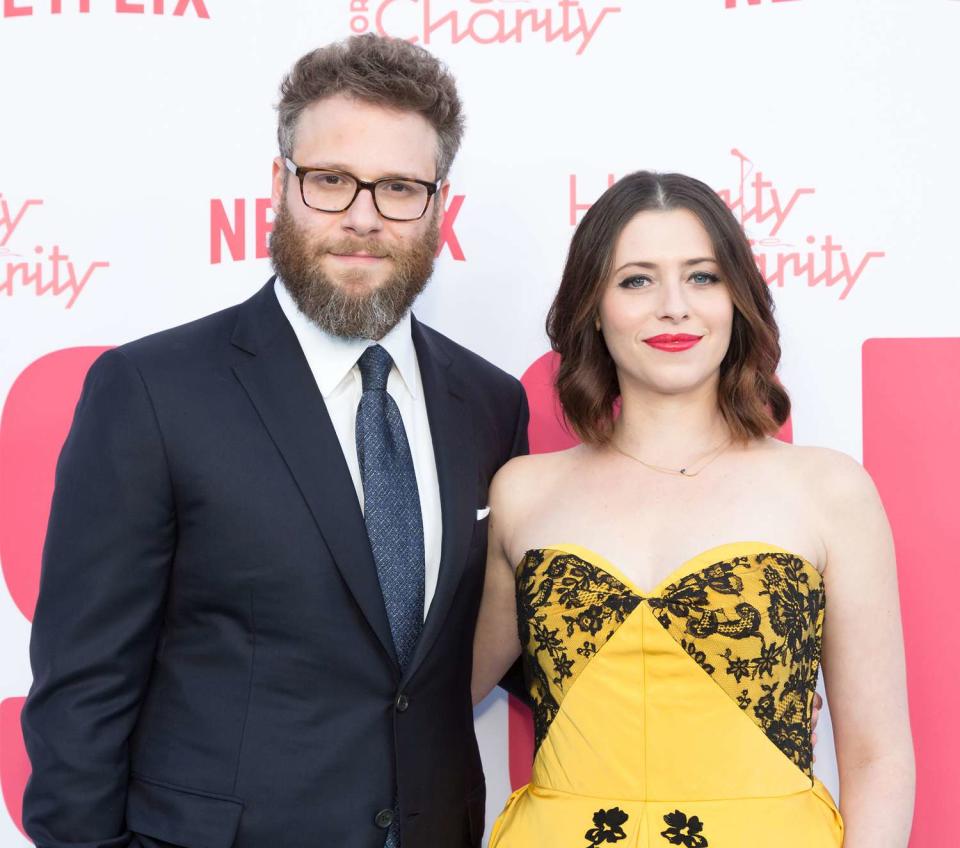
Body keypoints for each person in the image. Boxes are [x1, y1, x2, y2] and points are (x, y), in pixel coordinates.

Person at [21, 34, 528, 848]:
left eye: (400, 187)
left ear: (440, 205)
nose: (363, 218)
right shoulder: (153, 392)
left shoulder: (489, 404)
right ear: (278, 186)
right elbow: (81, 697)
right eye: (331, 181)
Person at [471, 171, 915, 846]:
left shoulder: (828, 491)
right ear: (592, 305)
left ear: (737, 298)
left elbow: (877, 757)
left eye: (702, 277)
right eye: (636, 280)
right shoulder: (524, 492)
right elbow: (425, 698)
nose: (673, 306)